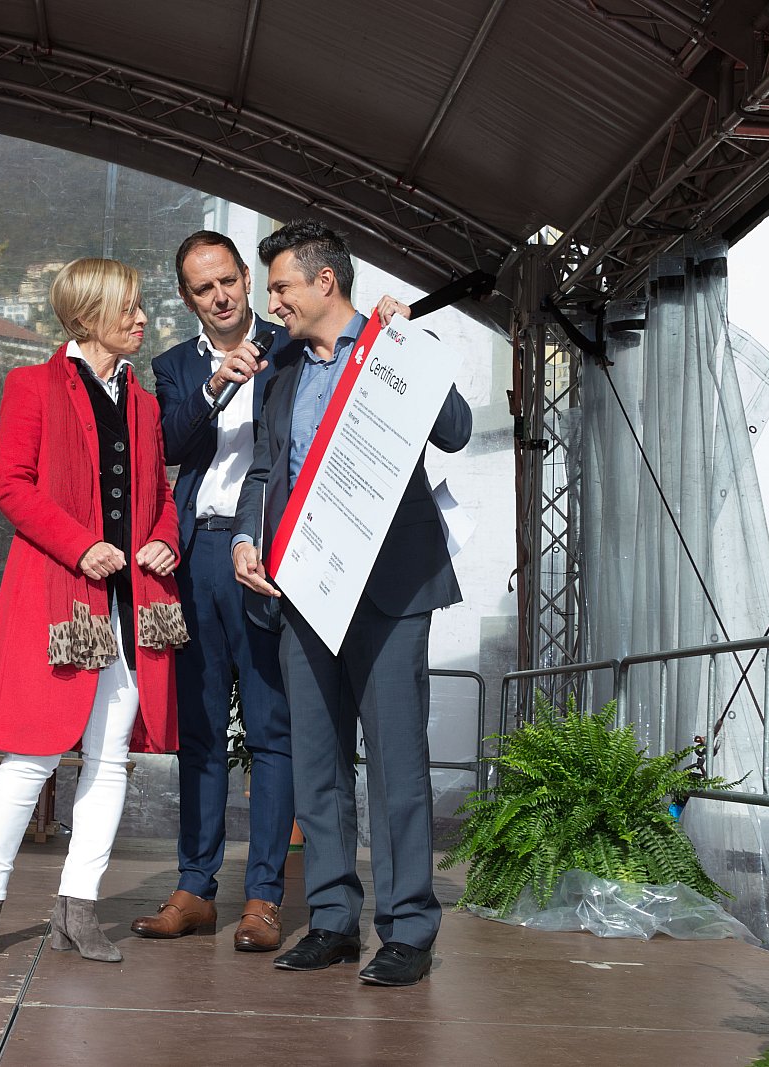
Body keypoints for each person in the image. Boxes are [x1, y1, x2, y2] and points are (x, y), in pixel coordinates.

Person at [232, 219, 472, 987]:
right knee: (316, 759)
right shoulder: (279, 370)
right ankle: (333, 919)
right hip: (303, 584)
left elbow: (457, 430)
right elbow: (265, 469)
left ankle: (407, 928)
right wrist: (245, 539)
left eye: (281, 287)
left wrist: (411, 348)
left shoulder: (392, 346)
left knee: (397, 760)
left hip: (392, 587)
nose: (272, 302)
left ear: (325, 280)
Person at [0, 257, 187, 964]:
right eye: (128, 307)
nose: (142, 318)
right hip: (61, 598)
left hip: (130, 607)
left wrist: (164, 539)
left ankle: (76, 908)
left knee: (110, 760)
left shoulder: (145, 405)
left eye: (141, 305)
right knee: (30, 756)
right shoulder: (31, 385)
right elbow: (11, 483)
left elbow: (161, 496)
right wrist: (81, 546)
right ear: (88, 315)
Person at [132, 231, 293, 952]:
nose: (221, 296)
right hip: (198, 552)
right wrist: (216, 383)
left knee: (269, 729)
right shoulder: (174, 367)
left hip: (270, 553)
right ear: (186, 297)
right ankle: (195, 887)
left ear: (247, 280)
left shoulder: (291, 346)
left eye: (229, 280)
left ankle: (264, 897)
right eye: (204, 288)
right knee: (198, 729)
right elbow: (170, 444)